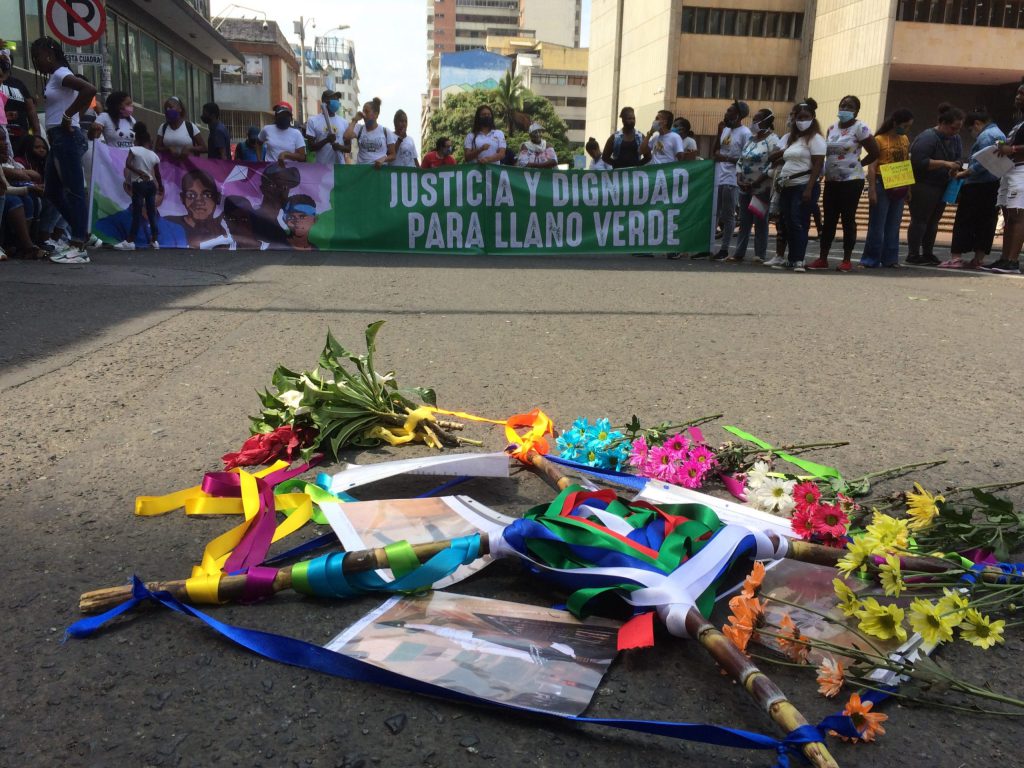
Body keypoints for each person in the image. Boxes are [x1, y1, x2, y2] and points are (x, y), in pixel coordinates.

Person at [30, 37, 95, 264]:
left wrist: (69, 116)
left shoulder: (60, 74)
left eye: (37, 57)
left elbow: (90, 89)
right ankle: (81, 233)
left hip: (65, 137)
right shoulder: (56, 76)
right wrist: (72, 115)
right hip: (59, 138)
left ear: (49, 54)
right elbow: (84, 96)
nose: (36, 63)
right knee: (53, 192)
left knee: (74, 190)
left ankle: (78, 244)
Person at [811, 95, 879, 272]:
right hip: (832, 181)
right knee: (829, 220)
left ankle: (847, 259)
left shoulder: (860, 128)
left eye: (849, 106)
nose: (845, 109)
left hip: (851, 181)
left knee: (847, 219)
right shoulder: (832, 128)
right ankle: (823, 258)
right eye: (842, 105)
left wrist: (858, 164)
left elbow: (874, 151)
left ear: (856, 111)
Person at [940, 108, 1005, 269]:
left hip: (977, 184)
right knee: (987, 221)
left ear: (977, 123)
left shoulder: (986, 136)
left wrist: (964, 174)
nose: (971, 133)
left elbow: (981, 163)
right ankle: (979, 258)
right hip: (994, 183)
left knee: (964, 221)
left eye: (970, 129)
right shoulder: (1000, 134)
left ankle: (956, 257)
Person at [769, 100, 825, 271]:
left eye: (805, 117)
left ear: (812, 118)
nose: (801, 121)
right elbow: (775, 157)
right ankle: (791, 259)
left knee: (798, 221)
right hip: (787, 185)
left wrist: (808, 188)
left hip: (803, 186)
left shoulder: (816, 139)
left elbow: (817, 165)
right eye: (799, 118)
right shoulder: (794, 140)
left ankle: (798, 259)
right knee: (788, 222)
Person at [906, 105, 964, 265]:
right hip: (924, 184)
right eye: (953, 128)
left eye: (958, 129)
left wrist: (956, 165)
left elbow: (959, 157)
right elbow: (918, 162)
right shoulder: (928, 137)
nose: (956, 132)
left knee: (933, 221)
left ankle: (927, 252)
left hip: (942, 184)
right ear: (943, 123)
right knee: (920, 219)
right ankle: (913, 253)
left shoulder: (955, 139)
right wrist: (944, 163)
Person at [861, 109, 914, 269]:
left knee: (894, 223)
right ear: (894, 123)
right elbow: (872, 166)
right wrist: (872, 189)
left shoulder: (904, 139)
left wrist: (908, 188)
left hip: (899, 182)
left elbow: (906, 163)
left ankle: (890, 258)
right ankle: (871, 258)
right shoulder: (879, 140)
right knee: (877, 224)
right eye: (905, 126)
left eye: (909, 126)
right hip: (881, 181)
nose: (906, 129)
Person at [730, 108, 780, 264]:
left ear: (766, 121)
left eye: (757, 120)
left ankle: (760, 254)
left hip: (761, 187)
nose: (753, 123)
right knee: (744, 221)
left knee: (760, 220)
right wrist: (739, 178)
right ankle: (739, 252)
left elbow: (774, 164)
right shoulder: (751, 140)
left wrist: (757, 181)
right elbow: (740, 160)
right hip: (744, 186)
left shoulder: (773, 140)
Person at [702, 101, 751, 260]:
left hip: (731, 179)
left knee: (728, 216)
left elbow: (747, 158)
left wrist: (727, 158)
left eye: (730, 111)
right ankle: (708, 246)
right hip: (719, 177)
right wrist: (719, 132)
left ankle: (724, 249)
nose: (726, 113)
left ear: (738, 114)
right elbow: (716, 150)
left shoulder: (745, 133)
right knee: (714, 213)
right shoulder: (726, 130)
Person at [987, 81, 1024, 274]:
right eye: (1017, 93)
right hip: (1009, 170)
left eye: (1021, 94)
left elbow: (1015, 147)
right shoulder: (1019, 122)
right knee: (1008, 216)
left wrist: (1013, 148)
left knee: (1018, 216)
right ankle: (1004, 258)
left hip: (1021, 172)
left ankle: (1012, 261)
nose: (1017, 97)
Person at [113, 122, 163, 251]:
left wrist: (139, 172)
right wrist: (160, 187)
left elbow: (128, 164)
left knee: (137, 212)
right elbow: (157, 174)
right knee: (152, 212)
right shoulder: (154, 155)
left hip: (139, 183)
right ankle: (155, 240)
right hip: (151, 184)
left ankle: (130, 241)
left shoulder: (134, 150)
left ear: (138, 140)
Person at [166, 169, 229, 249]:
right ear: (182, 198)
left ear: (218, 198)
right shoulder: (169, 225)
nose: (199, 201)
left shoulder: (225, 228)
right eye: (191, 195)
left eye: (207, 195)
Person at [251, 163, 300, 246]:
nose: (280, 190)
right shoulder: (249, 220)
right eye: (274, 185)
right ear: (263, 188)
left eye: (285, 186)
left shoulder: (282, 232)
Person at [0, 45, 41, 141]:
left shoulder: (19, 84)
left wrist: (37, 132)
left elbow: (31, 109)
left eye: (4, 59)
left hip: (21, 136)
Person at [344, 97, 395, 168]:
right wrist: (355, 120)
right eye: (363, 111)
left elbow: (393, 155)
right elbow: (346, 136)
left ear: (376, 114)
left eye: (367, 112)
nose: (364, 115)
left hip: (379, 172)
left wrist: (383, 159)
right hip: (362, 172)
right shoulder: (359, 128)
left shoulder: (386, 131)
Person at [306, 90, 350, 166]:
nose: (336, 101)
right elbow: (311, 147)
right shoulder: (313, 121)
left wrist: (339, 147)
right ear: (325, 101)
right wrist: (327, 140)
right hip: (322, 168)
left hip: (339, 167)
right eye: (334, 98)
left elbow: (348, 148)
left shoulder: (344, 122)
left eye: (337, 99)